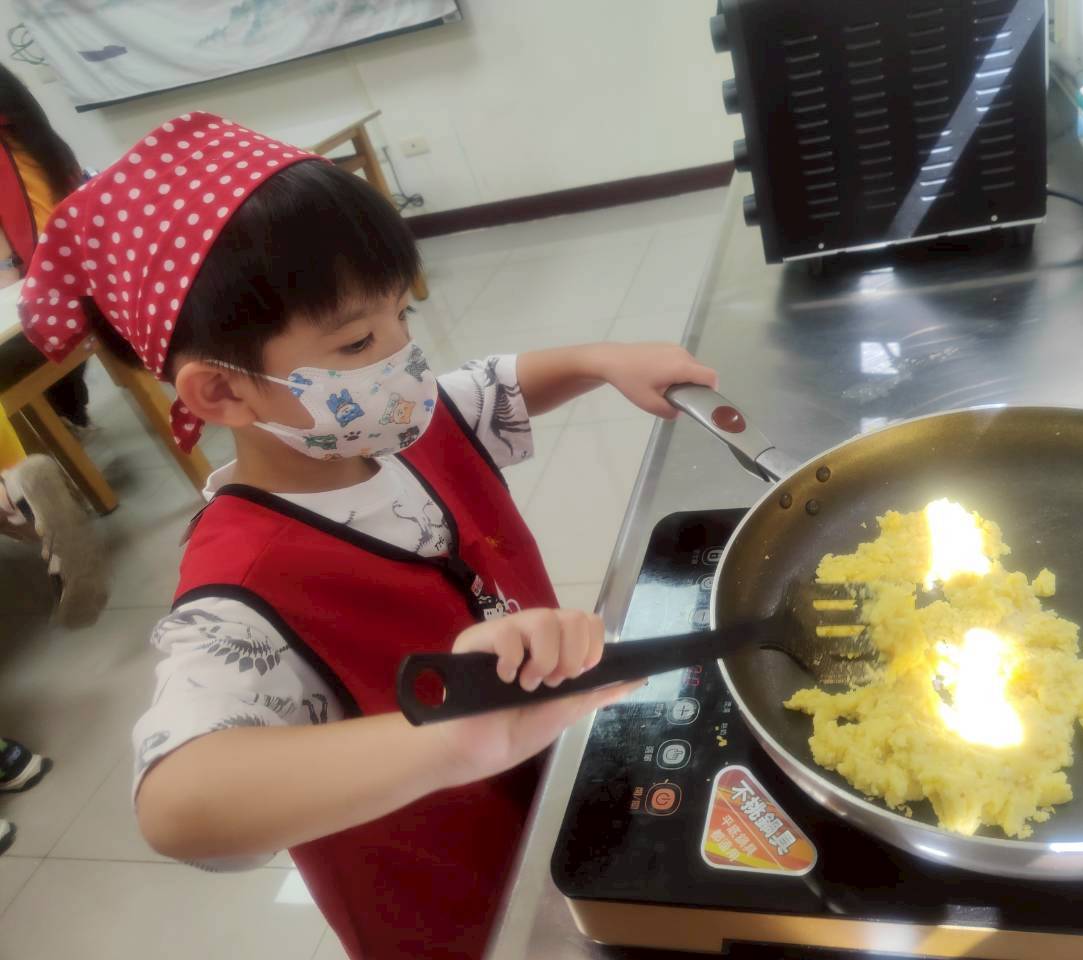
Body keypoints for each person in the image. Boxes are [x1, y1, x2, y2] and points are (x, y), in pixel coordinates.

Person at [18, 112, 718, 959]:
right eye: (359, 341)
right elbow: (178, 804)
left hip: (567, 801)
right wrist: (447, 741)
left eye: (400, 318)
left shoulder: (391, 425)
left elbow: (493, 385)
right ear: (224, 394)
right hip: (462, 905)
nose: (405, 361)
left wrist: (600, 362)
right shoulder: (243, 586)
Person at [0, 63, 91, 427]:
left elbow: (13, 267)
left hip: (54, 303)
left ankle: (59, 423)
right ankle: (68, 416)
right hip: (88, 282)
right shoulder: (35, 135)